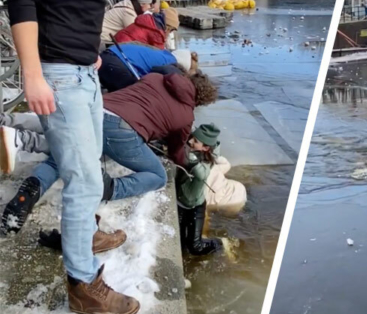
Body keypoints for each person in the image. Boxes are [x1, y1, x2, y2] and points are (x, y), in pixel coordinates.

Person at [6, 0, 139, 314]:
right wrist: (33, 73)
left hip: (84, 72)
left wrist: (87, 49)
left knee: (90, 163)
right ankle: (83, 286)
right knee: (84, 179)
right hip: (60, 75)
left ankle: (84, 236)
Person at [1, 71, 217, 235]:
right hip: (120, 131)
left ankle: (24, 198)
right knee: (158, 175)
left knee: (62, 157)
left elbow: (143, 105)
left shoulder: (154, 77)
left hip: (94, 113)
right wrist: (188, 164)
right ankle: (110, 187)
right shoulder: (186, 116)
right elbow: (176, 152)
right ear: (199, 100)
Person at [177, 124, 230, 255]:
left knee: (196, 247)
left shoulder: (206, 161)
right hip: (180, 204)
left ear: (206, 148)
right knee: (182, 243)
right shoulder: (193, 150)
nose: (190, 142)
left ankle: (220, 243)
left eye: (195, 141)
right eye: (192, 138)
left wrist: (191, 158)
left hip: (195, 206)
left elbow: (202, 174)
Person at [99, 42, 198, 92]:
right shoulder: (170, 64)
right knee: (132, 95)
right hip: (118, 63)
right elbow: (159, 70)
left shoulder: (162, 53)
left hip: (108, 55)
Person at [114, 8, 179, 49]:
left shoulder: (150, 21)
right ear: (168, 27)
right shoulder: (157, 32)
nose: (170, 32)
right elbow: (159, 52)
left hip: (118, 41)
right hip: (124, 48)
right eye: (171, 30)